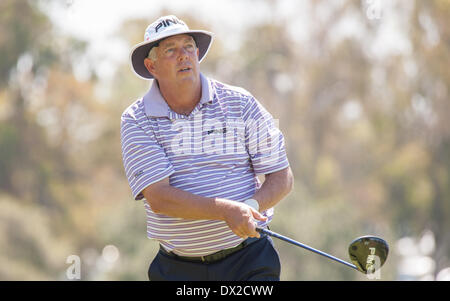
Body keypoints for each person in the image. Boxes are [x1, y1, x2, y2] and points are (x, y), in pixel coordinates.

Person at [121, 15, 294, 281]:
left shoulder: (240, 102)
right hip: (178, 271)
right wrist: (226, 211)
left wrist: (249, 206)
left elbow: (281, 177)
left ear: (197, 53)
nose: (183, 56)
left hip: (249, 260)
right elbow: (159, 197)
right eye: (170, 50)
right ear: (151, 65)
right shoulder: (136, 119)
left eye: (188, 47)